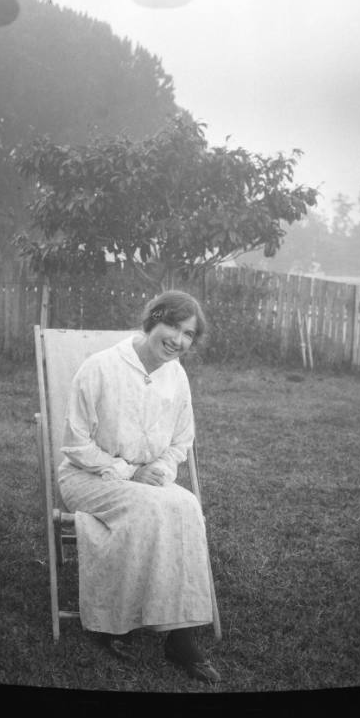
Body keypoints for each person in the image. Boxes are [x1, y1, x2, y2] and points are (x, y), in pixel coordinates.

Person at [58, 290, 220, 684]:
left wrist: (160, 468)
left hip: (148, 478)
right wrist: (128, 471)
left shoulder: (176, 374)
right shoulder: (100, 367)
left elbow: (182, 439)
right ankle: (112, 623)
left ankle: (181, 636)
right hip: (88, 477)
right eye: (173, 327)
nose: (178, 341)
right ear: (153, 320)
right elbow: (76, 444)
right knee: (149, 509)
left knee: (185, 507)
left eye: (188, 334)